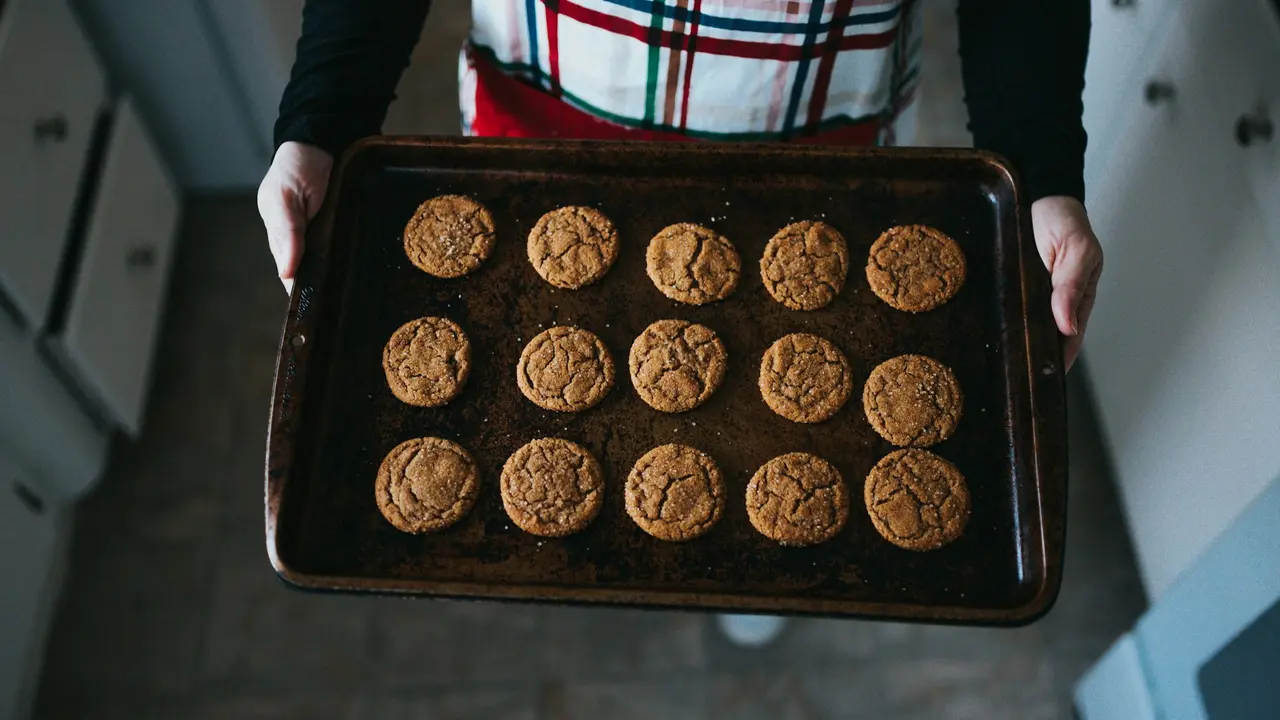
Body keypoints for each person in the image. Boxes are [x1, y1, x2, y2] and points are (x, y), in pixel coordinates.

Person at [258, 0, 1102, 646]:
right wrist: (324, 118)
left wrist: (1040, 165)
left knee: (771, 516)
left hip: (821, 145)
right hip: (545, 122)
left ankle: (756, 588)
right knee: (550, 317)